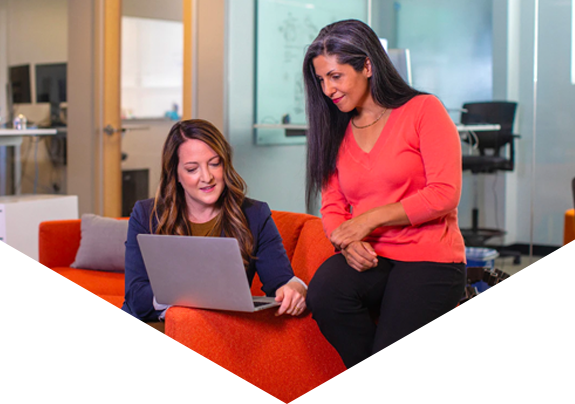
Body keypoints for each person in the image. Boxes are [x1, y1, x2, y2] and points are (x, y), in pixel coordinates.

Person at [44, 119, 307, 404]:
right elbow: (136, 293)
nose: (206, 177)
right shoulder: (147, 214)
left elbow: (281, 281)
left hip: (207, 335)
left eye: (214, 163)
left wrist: (297, 288)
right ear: (176, 174)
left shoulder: (254, 214)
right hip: (146, 326)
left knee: (124, 360)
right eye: (192, 169)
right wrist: (177, 299)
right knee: (62, 349)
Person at [302, 20, 466, 404]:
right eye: (321, 80)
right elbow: (332, 204)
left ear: (368, 66)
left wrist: (368, 220)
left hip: (431, 259)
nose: (328, 90)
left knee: (389, 365)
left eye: (336, 76)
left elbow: (445, 193)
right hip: (376, 258)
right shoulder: (335, 129)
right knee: (324, 292)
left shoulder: (424, 110)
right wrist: (344, 242)